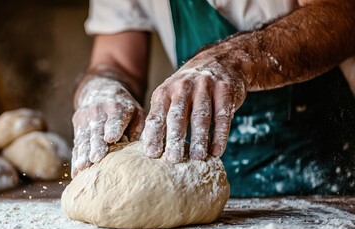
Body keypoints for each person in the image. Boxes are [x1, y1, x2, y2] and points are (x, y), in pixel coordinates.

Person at [71, 0, 355, 197]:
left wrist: (233, 60)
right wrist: (101, 86)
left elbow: (342, 15)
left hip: (327, 173)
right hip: (204, 177)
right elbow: (116, 62)